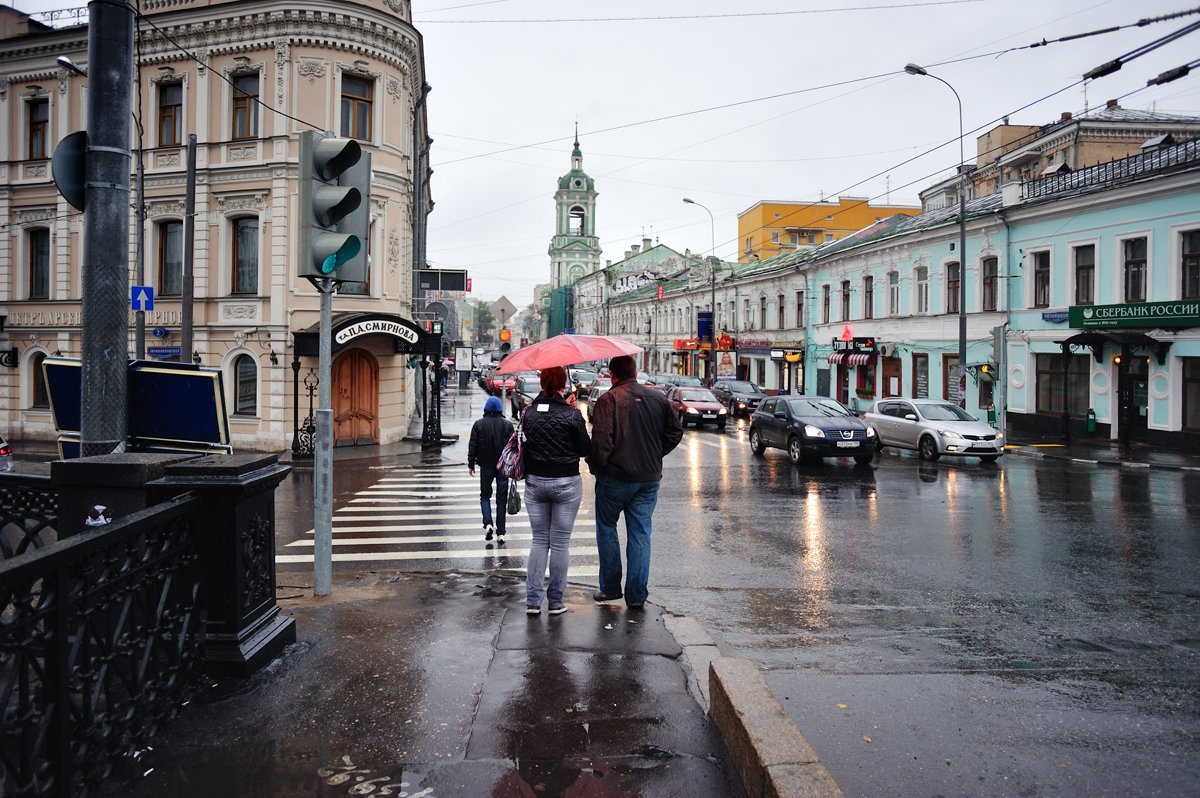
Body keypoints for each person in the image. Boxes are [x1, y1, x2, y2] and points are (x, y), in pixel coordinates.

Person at [587, 354, 683, 609]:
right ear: (635, 371)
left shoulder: (608, 399)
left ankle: (610, 588)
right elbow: (675, 432)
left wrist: (597, 467)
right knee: (640, 534)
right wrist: (654, 453)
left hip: (615, 477)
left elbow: (601, 443)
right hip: (648, 478)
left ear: (612, 374)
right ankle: (637, 596)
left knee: (607, 528)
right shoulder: (658, 398)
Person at [521, 366, 591, 615]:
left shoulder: (528, 413)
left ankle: (532, 601)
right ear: (563, 384)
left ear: (541, 383)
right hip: (566, 482)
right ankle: (556, 602)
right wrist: (572, 412)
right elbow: (585, 448)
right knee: (560, 543)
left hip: (535, 481)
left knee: (539, 540)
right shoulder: (571, 414)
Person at [467, 395, 514, 544]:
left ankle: (488, 524)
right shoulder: (507, 425)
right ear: (500, 409)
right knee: (501, 500)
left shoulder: (478, 424)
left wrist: (471, 464)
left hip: (486, 465)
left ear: (486, 409)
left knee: (485, 496)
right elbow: (513, 447)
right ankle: (501, 533)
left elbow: (473, 445)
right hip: (503, 467)